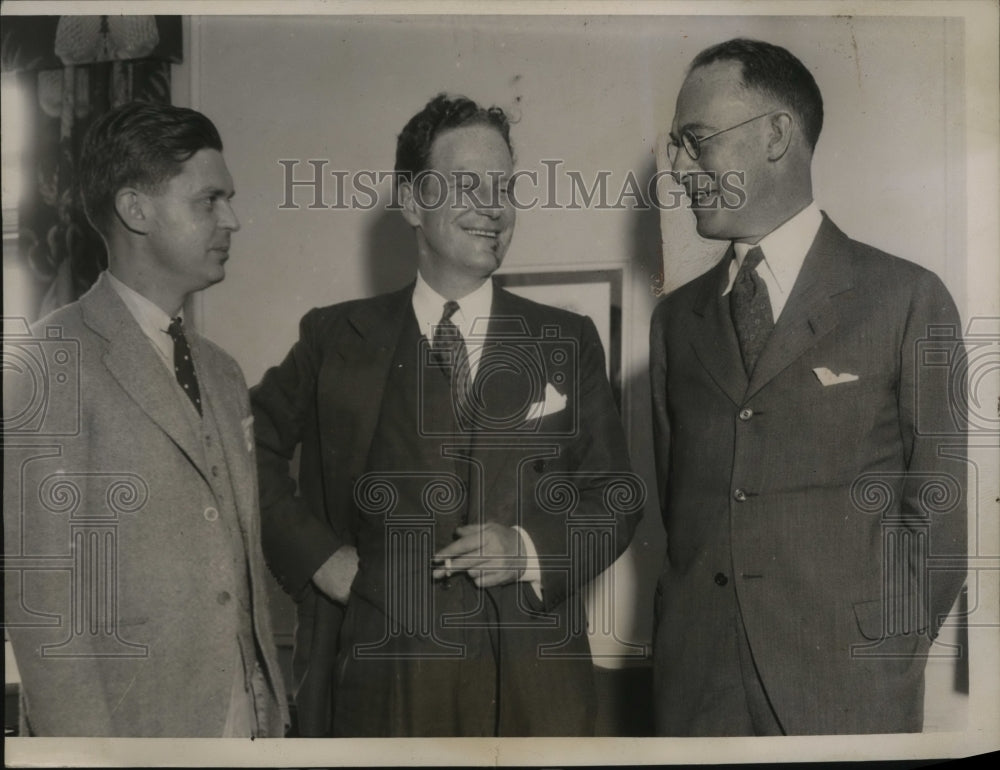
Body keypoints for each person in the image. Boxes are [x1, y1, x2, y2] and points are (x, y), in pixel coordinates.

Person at [251, 93, 641, 737]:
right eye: (468, 184)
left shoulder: (567, 340)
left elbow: (618, 496)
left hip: (533, 696)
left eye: (505, 187)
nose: (494, 207)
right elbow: (241, 447)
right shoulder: (334, 338)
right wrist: (318, 556)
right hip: (383, 689)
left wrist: (528, 549)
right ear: (411, 202)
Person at [649, 38, 967, 735]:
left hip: (847, 696)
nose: (678, 170)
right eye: (676, 146)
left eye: (696, 141)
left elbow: (938, 518)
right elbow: (682, 512)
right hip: (697, 696)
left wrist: (888, 658)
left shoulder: (906, 297)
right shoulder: (675, 321)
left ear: (776, 136)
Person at [3, 102, 288, 737]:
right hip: (133, 732)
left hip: (247, 727)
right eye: (209, 200)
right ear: (136, 210)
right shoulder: (50, 362)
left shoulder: (221, 372)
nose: (232, 220)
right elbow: (47, 612)